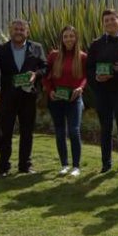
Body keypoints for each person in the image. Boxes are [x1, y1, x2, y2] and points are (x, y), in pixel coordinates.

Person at [0, 19, 47, 177]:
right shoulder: (0, 49)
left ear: (27, 32)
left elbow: (45, 67)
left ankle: (25, 165)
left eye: (21, 29)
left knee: (27, 132)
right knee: (5, 133)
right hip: (8, 97)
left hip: (28, 97)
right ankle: (3, 167)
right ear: (10, 31)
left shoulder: (36, 48)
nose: (18, 32)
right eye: (15, 29)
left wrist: (36, 74)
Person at [86, 9, 118, 174]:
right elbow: (89, 68)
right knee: (105, 129)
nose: (110, 23)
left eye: (112, 19)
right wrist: (97, 79)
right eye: (106, 21)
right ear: (103, 24)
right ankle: (106, 164)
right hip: (103, 93)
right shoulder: (96, 44)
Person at [42, 25, 87, 177]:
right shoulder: (54, 56)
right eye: (66, 36)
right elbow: (45, 77)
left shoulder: (82, 56)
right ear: (62, 39)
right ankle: (64, 164)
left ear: (76, 38)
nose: (69, 39)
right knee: (60, 132)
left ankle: (76, 166)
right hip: (56, 100)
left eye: (71, 36)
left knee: (74, 131)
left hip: (74, 100)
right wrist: (50, 91)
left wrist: (81, 88)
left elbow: (86, 77)